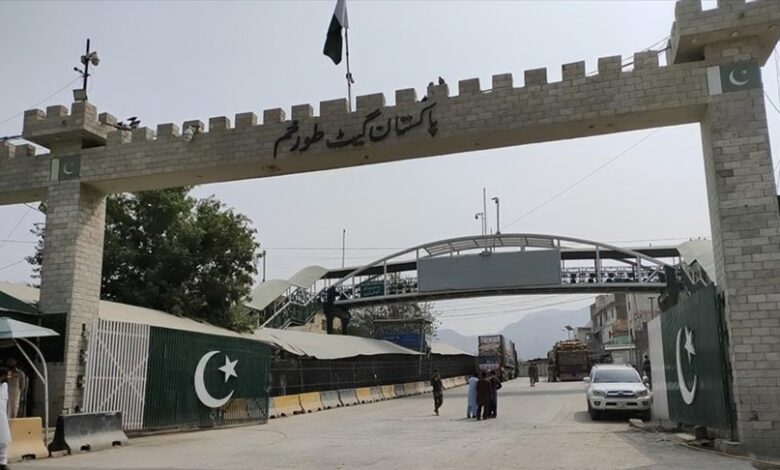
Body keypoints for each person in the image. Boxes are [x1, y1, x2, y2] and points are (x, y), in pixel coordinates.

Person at [0, 367, 11, 470]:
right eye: (8, 375)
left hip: (2, 417)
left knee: (4, 440)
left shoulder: (5, 386)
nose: (9, 377)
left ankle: (2, 463)